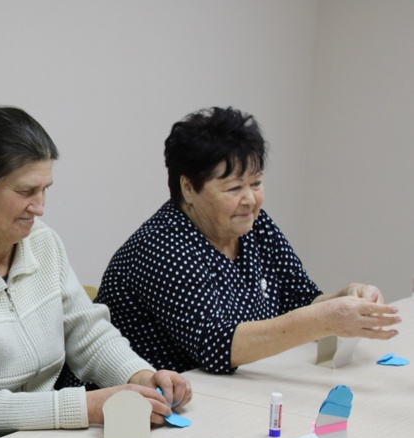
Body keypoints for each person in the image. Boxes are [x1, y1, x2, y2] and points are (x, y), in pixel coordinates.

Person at [0, 104, 192, 438]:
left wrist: (139, 375)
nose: (40, 206)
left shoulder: (42, 242)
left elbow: (86, 333)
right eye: (25, 191)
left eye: (46, 189)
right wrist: (85, 407)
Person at [93, 106, 399, 374]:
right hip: (141, 408)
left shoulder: (254, 226)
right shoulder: (162, 246)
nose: (250, 199)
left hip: (225, 395)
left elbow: (300, 299)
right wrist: (325, 320)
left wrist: (345, 298)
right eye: (233, 188)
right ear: (188, 187)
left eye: (256, 183)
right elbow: (215, 347)